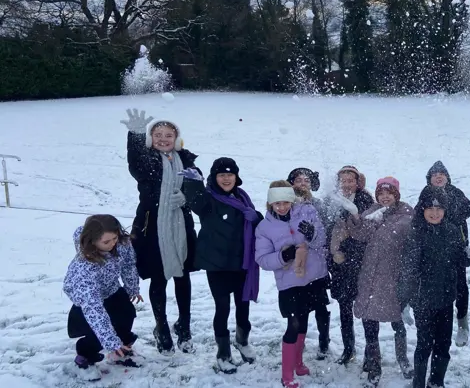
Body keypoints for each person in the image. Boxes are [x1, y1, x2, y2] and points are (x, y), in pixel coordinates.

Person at [121, 108, 199, 354]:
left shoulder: (185, 159)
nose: (163, 139)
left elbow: (198, 184)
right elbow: (135, 164)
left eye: (168, 135)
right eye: (158, 135)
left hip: (181, 227)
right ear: (151, 138)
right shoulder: (148, 160)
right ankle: (161, 327)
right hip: (152, 228)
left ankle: (184, 325)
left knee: (183, 276)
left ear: (176, 138)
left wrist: (186, 196)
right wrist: (135, 135)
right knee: (159, 278)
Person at [181, 158, 263, 374]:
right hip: (217, 264)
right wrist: (193, 184)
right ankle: (223, 353)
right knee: (223, 308)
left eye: (230, 174)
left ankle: (242, 341)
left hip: (242, 262)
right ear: (214, 177)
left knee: (243, 306)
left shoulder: (242, 197)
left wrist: (257, 218)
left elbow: (256, 224)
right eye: (221, 175)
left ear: (236, 176)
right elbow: (196, 203)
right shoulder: (207, 198)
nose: (226, 179)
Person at [255, 181, 328, 388]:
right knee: (293, 324)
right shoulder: (265, 227)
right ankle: (287, 375)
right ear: (270, 203)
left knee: (304, 322)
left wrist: (313, 234)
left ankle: (298, 362)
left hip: (312, 278)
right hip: (289, 283)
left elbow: (322, 240)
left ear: (291, 200)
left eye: (285, 202)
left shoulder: (308, 212)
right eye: (277, 203)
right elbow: (262, 259)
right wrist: (283, 256)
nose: (281, 207)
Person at [344, 177, 415, 385]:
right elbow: (359, 234)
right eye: (381, 193)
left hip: (393, 277)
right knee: (369, 322)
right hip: (370, 276)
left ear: (396, 195)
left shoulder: (407, 215)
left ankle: (403, 359)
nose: (385, 197)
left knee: (397, 321)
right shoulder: (372, 211)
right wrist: (356, 217)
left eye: (389, 193)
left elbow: (407, 243)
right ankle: (374, 365)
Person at [398, 186, 466, 388]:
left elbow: (458, 261)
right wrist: (404, 300)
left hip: (446, 298)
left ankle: (436, 382)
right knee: (424, 344)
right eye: (430, 208)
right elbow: (408, 270)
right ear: (422, 209)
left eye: (439, 208)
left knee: (443, 344)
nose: (435, 213)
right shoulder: (416, 233)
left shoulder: (452, 231)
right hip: (423, 300)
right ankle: (418, 383)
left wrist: (468, 258)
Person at [64, 215, 143, 381]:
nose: (113, 243)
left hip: (111, 288)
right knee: (97, 328)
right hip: (89, 298)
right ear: (92, 241)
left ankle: (120, 351)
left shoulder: (121, 243)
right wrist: (111, 341)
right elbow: (95, 310)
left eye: (114, 238)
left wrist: (132, 287)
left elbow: (128, 264)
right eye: (106, 242)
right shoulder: (84, 268)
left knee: (127, 314)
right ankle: (84, 357)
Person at [423, 161, 470, 347]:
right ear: (429, 179)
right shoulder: (426, 193)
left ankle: (463, 323)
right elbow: (418, 215)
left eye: (442, 174)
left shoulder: (455, 192)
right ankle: (433, 322)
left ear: (447, 178)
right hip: (433, 247)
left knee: (460, 285)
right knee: (435, 284)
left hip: (456, 247)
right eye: (434, 174)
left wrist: (448, 214)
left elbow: (468, 208)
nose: (438, 176)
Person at [324, 165, 375, 365]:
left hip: (360, 264)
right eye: (343, 181)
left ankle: (371, 353)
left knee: (366, 310)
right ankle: (348, 349)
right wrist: (333, 256)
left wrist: (348, 249)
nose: (346, 184)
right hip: (339, 266)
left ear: (357, 182)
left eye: (350, 180)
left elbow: (367, 231)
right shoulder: (332, 200)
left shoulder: (365, 200)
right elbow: (327, 230)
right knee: (344, 309)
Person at [288, 167, 331, 360]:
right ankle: (299, 340)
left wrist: (313, 235)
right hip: (295, 265)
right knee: (299, 308)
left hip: (317, 264)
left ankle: (324, 340)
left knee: (320, 306)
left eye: (306, 180)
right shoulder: (286, 204)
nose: (303, 183)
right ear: (291, 184)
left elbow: (326, 233)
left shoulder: (319, 205)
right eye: (298, 180)